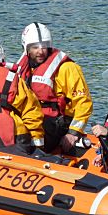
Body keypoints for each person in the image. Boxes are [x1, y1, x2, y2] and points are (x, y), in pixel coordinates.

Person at [15, 22, 93, 154]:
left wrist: (72, 133)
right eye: (35, 47)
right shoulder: (24, 67)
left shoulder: (67, 68)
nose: (40, 51)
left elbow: (83, 103)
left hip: (55, 124)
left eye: (44, 47)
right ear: (26, 48)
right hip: (32, 119)